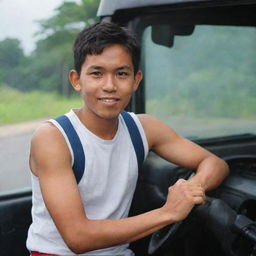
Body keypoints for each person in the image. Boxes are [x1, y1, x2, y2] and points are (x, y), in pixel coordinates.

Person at [26, 22, 229, 256]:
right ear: (76, 80)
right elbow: (78, 237)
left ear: (136, 80)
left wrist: (191, 189)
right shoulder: (53, 137)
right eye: (96, 74)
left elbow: (215, 164)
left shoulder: (144, 128)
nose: (110, 86)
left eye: (121, 74)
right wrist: (169, 212)